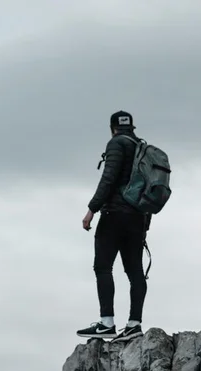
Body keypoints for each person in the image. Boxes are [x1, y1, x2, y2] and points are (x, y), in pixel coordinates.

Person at [77, 110, 151, 341]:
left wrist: (91, 209)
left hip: (114, 214)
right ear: (132, 128)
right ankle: (134, 325)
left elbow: (108, 179)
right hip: (138, 217)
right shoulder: (141, 148)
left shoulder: (116, 144)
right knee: (135, 271)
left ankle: (106, 323)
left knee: (103, 267)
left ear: (112, 128)